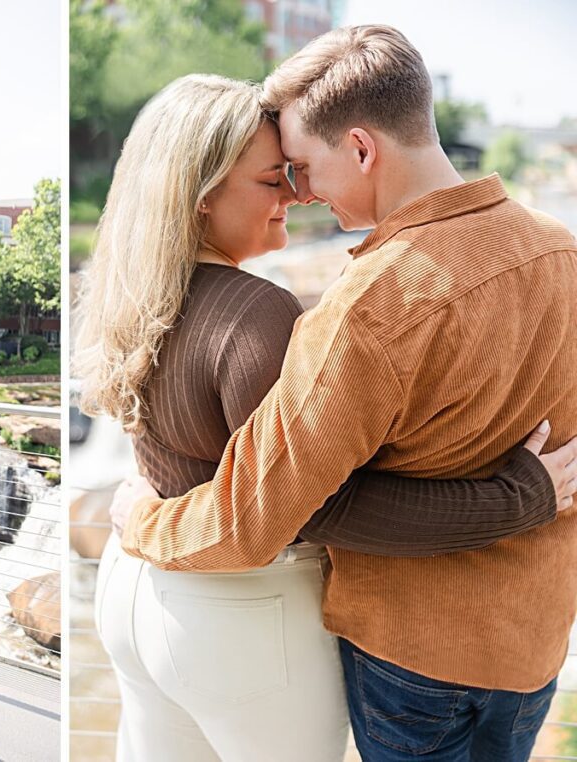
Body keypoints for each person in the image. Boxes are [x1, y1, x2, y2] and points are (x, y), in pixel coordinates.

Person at [108, 27, 577, 761]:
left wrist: (142, 523)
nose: (302, 192)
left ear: (360, 149)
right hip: (535, 644)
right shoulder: (563, 250)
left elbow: (255, 517)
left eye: (301, 166)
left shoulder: (367, 309)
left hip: (413, 657)